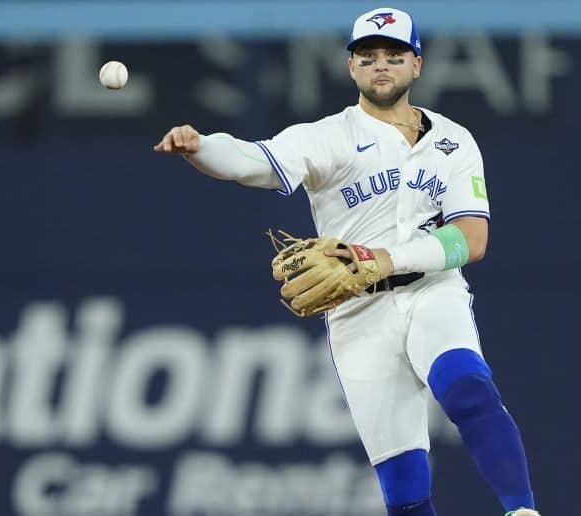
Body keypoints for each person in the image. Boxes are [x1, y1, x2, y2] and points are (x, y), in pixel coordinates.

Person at [153, 7, 540, 516]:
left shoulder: (454, 140)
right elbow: (250, 160)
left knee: (467, 388)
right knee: (404, 485)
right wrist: (201, 147)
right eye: (369, 56)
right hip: (357, 312)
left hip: (432, 290)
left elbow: (472, 238)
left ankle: (522, 511)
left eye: (395, 56)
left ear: (417, 65)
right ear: (351, 67)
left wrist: (383, 258)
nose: (382, 65)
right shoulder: (327, 137)